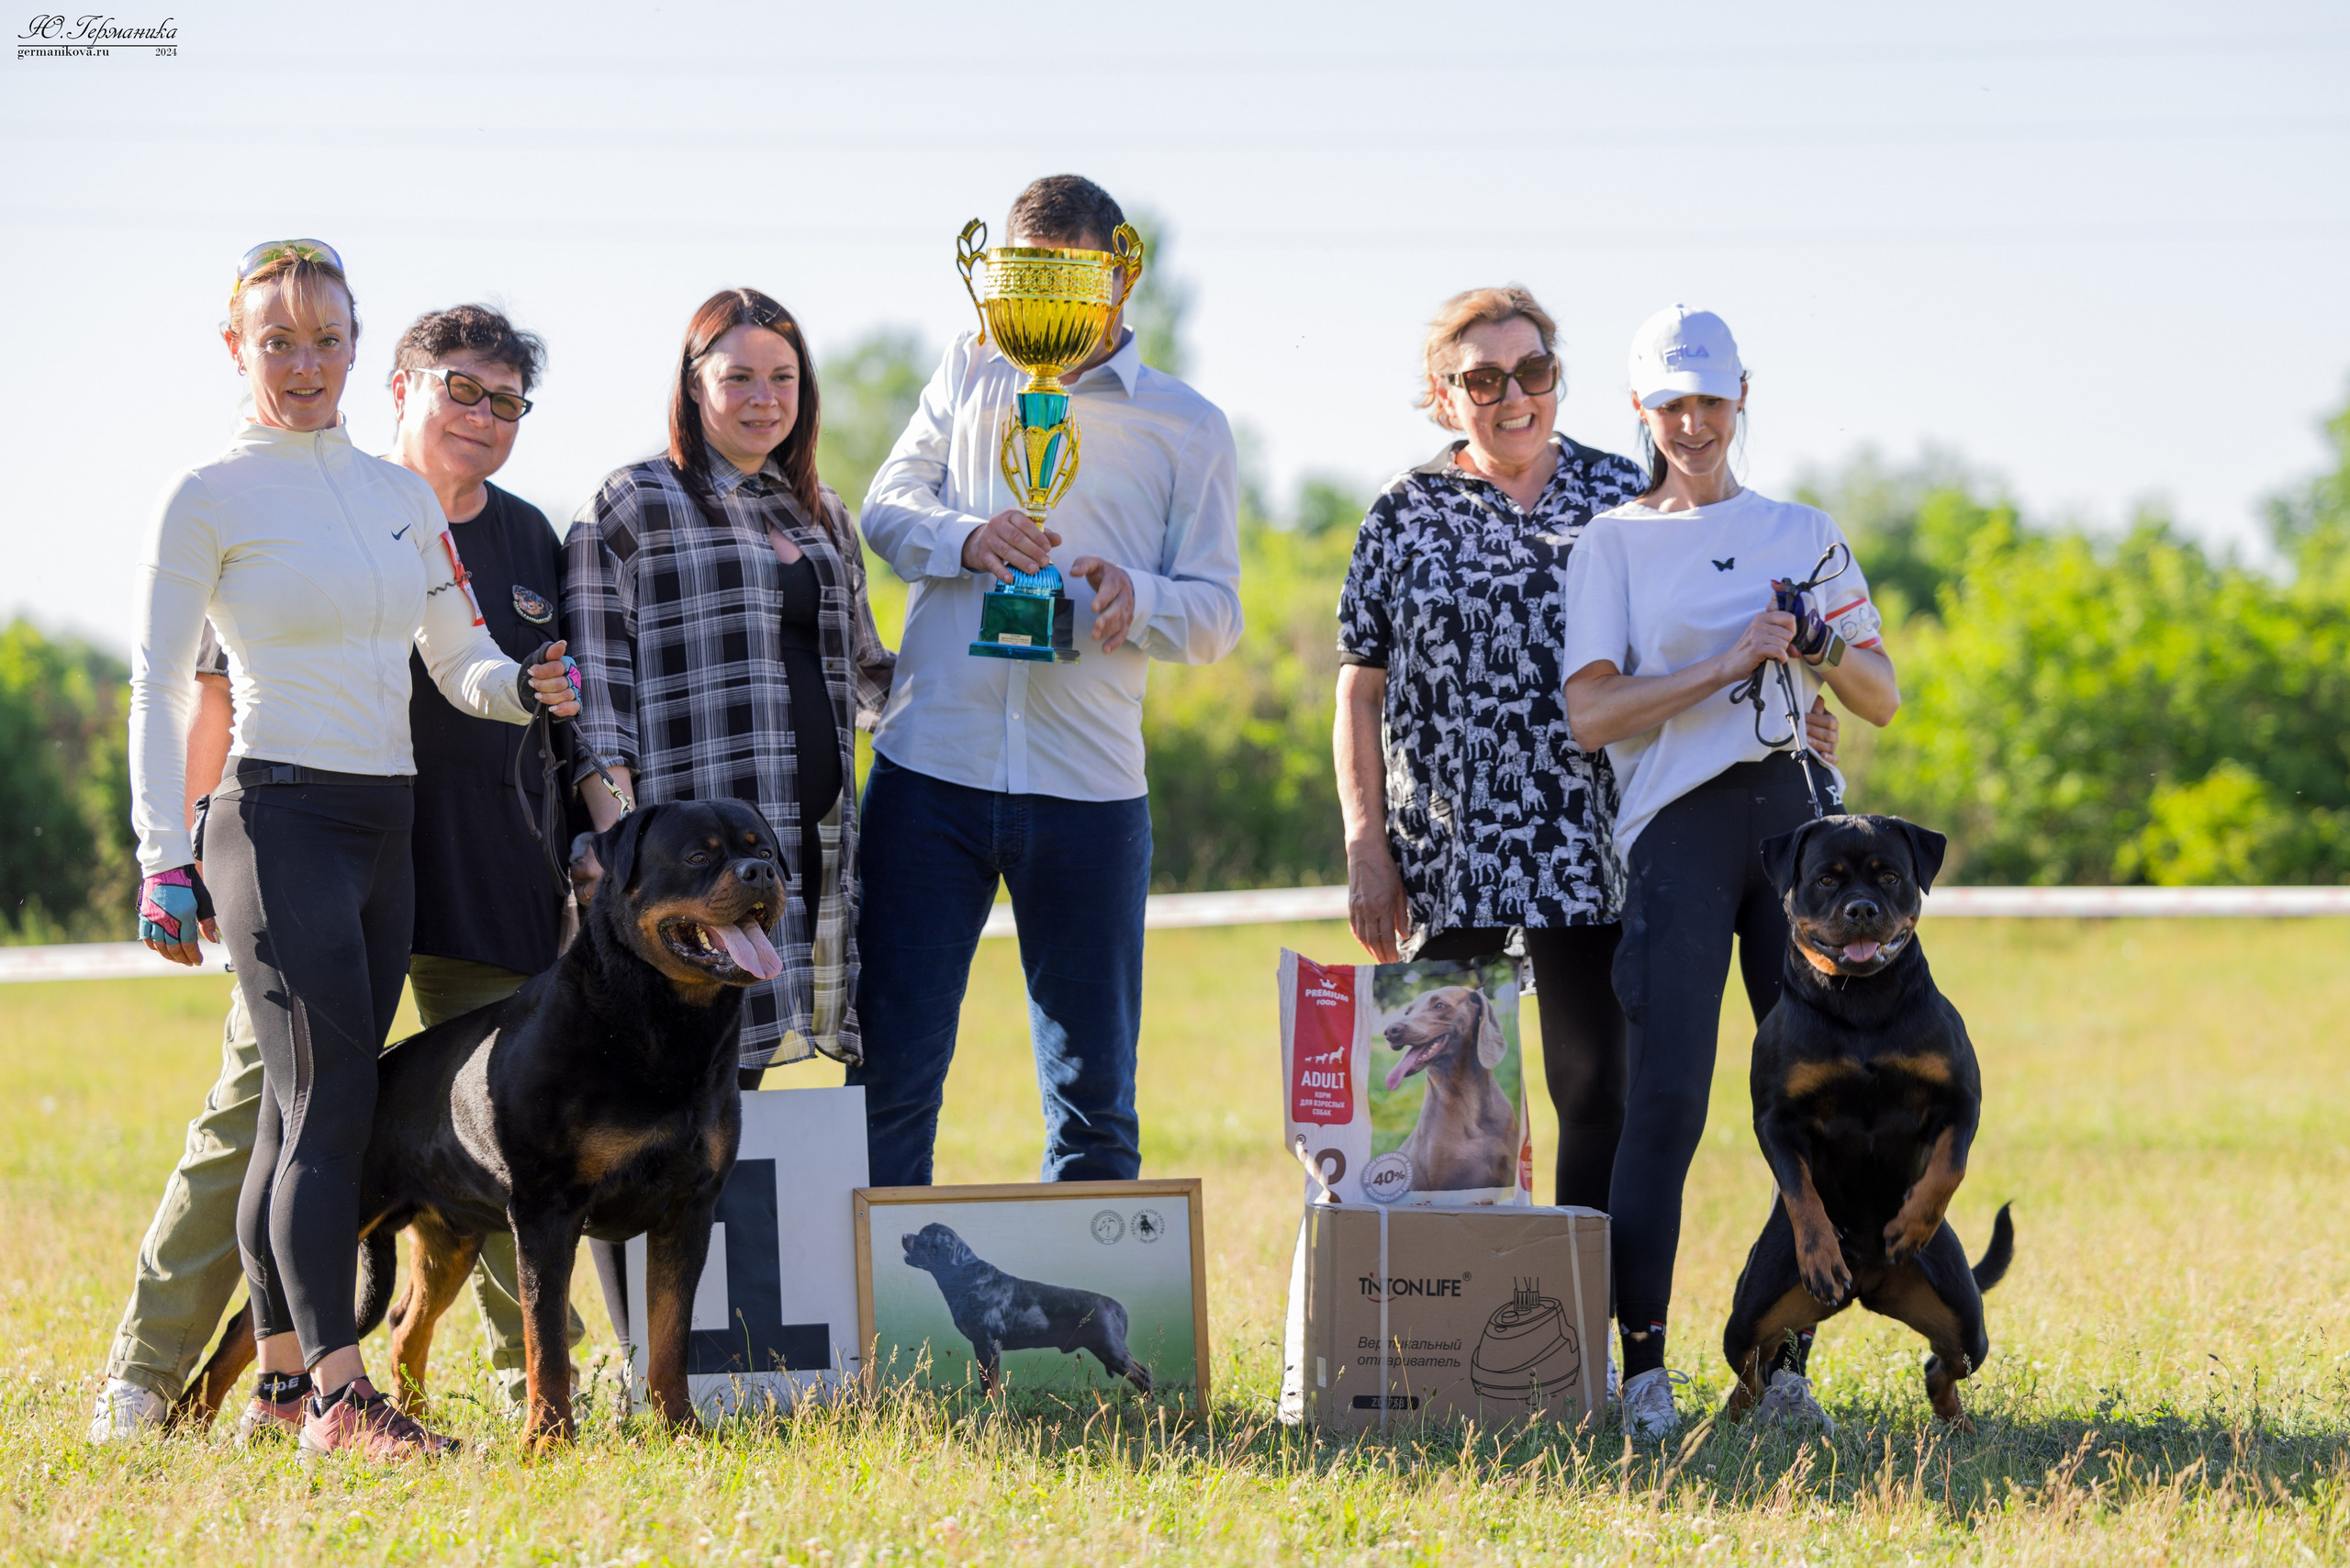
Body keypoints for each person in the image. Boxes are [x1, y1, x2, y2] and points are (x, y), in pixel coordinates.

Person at [89, 304, 584, 1441]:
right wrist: (178, 855)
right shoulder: (265, 501)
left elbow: (487, 673)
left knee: (507, 1118)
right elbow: (196, 695)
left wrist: (537, 713)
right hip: (294, 847)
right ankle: (160, 1373)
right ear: (400, 383)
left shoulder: (513, 532)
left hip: (468, 865)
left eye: (507, 401)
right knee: (265, 1111)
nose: (483, 416)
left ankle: (518, 1379)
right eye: (461, 389)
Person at [1336, 285, 1837, 1211]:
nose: (1512, 395)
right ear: (1444, 396)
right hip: (1448, 851)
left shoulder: (1623, 494)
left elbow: (1703, 627)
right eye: (1482, 379)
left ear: (1558, 378)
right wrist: (1367, 845)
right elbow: (1358, 691)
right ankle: (1446, 1296)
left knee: (1597, 1087)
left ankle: (1583, 1295)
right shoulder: (1400, 514)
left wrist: (1787, 714)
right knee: (1438, 1091)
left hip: (1593, 844)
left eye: (1532, 370)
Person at [849, 174, 1243, 1187]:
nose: (1048, 301)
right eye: (1028, 279)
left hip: (1091, 791)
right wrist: (965, 537)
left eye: (1071, 278)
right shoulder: (968, 368)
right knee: (888, 1082)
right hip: (928, 773)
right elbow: (884, 509)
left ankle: (1089, 1295)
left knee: (1094, 1100)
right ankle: (875, 1296)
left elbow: (1218, 614)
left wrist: (1139, 599)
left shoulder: (1189, 423)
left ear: (1120, 276)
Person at [1561, 305, 1900, 1437]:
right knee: (1665, 1097)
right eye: (1671, 404)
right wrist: (1725, 663)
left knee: (1821, 1103)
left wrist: (1818, 646)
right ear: (1641, 409)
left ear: (1740, 396)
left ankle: (1781, 1361)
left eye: (1710, 400)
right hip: (1678, 835)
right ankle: (1642, 1374)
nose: (1693, 423)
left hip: (1800, 835)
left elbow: (1880, 695)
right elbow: (1591, 713)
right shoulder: (1611, 541)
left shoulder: (1802, 529)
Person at [566, 287, 893, 1081]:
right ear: (693, 384)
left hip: (807, 840)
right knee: (691, 1072)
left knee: (777, 1070)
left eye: (783, 378)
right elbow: (595, 696)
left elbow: (869, 672)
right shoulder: (631, 503)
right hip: (691, 864)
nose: (763, 398)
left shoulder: (824, 514)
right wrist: (618, 848)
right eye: (738, 377)